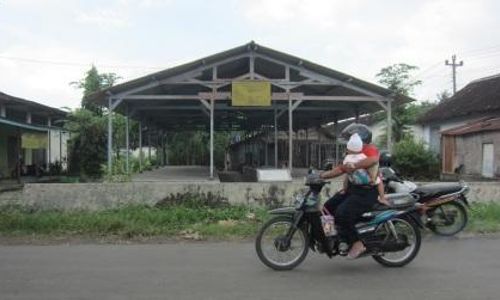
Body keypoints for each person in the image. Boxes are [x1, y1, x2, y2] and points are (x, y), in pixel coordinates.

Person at [320, 123, 386, 259]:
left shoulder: (370, 149)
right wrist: (320, 175)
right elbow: (341, 169)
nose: (347, 144)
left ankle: (357, 243)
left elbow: (373, 160)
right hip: (352, 189)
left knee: (342, 213)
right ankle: (331, 236)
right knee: (327, 207)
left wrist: (353, 166)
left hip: (367, 192)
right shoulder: (351, 152)